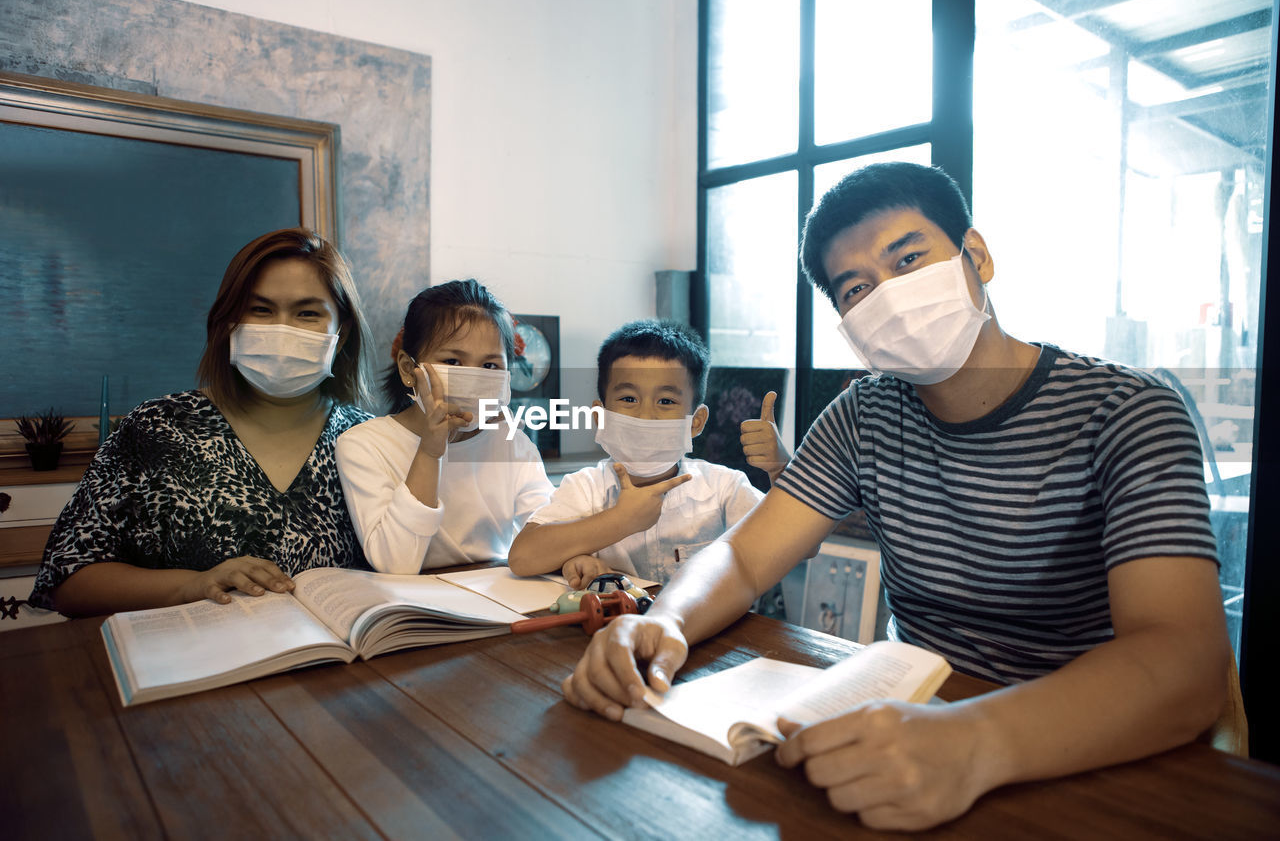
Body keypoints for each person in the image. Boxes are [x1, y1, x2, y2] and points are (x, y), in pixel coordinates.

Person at [561, 163, 1228, 830]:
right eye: (857, 288)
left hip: (1083, 749)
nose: (891, 296)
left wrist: (976, 740)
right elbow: (743, 557)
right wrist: (665, 619)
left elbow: (1182, 656)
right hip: (909, 728)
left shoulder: (1128, 411)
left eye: (909, 258)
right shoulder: (866, 415)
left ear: (976, 255)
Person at [32, 227, 377, 616]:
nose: (283, 329)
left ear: (342, 331)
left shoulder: (370, 439)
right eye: (260, 310)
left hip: (343, 669)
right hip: (199, 668)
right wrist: (191, 585)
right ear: (229, 322)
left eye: (307, 313)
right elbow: (69, 581)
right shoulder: (156, 429)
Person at [508, 319, 779, 589]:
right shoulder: (586, 488)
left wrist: (779, 469)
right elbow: (522, 558)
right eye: (628, 399)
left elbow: (796, 542)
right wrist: (620, 521)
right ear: (600, 417)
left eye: (666, 401)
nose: (646, 416)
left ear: (695, 422)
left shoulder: (724, 488)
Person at [335, 279, 553, 573]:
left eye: (490, 366)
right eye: (453, 360)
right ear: (408, 369)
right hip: (413, 610)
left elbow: (549, 533)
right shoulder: (363, 445)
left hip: (499, 602)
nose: (474, 377)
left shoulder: (513, 444)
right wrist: (430, 451)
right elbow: (395, 563)